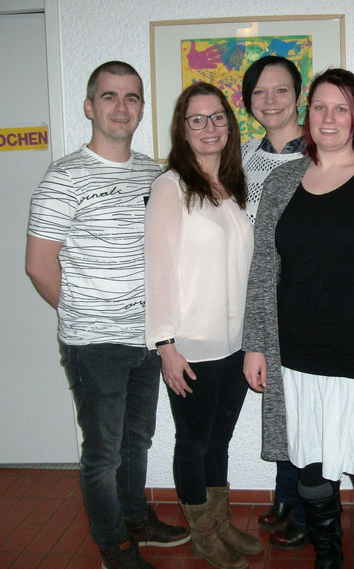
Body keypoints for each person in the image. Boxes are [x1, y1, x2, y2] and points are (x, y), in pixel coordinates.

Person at [242, 68, 354, 569]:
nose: (329, 117)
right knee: (310, 467)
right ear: (307, 114)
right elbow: (264, 270)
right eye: (320, 106)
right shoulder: (282, 182)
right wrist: (255, 345)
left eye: (341, 108)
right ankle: (328, 557)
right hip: (295, 357)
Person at [25, 61, 190, 569]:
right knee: (103, 453)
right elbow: (38, 265)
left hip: (147, 339)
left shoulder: (154, 173)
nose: (122, 107)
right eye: (110, 96)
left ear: (142, 108)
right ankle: (113, 544)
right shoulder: (63, 177)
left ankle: (135, 518)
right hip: (94, 344)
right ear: (89, 106)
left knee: (138, 440)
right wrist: (86, 313)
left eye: (132, 97)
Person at [145, 82, 261, 569]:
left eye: (217, 117)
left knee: (219, 440)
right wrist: (165, 345)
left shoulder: (231, 188)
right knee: (193, 442)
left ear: (229, 126)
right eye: (197, 119)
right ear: (183, 128)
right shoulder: (171, 187)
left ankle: (220, 523)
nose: (209, 127)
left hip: (234, 344)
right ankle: (203, 534)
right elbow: (157, 269)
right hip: (191, 343)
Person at [240, 55, 309, 550]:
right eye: (259, 92)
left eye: (281, 90)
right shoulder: (242, 155)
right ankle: (287, 495)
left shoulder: (321, 150)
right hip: (261, 294)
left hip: (306, 299)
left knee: (305, 406)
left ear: (298, 95)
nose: (270, 100)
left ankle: (307, 507)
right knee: (280, 405)